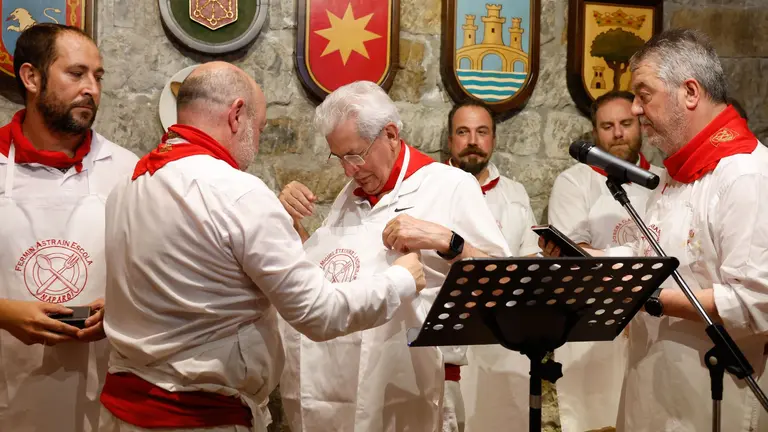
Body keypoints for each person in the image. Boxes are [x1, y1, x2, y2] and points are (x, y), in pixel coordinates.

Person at [98, 63, 427, 432]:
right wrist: (399, 280)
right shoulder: (239, 193)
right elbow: (318, 313)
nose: (258, 137)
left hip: (121, 413)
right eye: (261, 126)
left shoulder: (127, 184)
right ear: (237, 114)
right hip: (197, 418)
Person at [542, 28, 768, 432]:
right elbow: (652, 256)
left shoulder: (745, 174)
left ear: (691, 92)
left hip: (714, 394)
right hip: (654, 388)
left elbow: (755, 300)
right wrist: (586, 260)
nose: (635, 108)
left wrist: (648, 297)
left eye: (643, 94)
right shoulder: (673, 176)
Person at [277, 81, 510, 432]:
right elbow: (338, 277)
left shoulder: (451, 185)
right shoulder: (350, 195)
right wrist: (291, 225)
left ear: (390, 134)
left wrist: (447, 240)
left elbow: (503, 285)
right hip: (340, 388)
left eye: (354, 154)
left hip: (415, 387)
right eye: (338, 157)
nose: (348, 170)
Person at [0, 24, 138, 432]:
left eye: (98, 76)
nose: (91, 88)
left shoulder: (127, 170)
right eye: (76, 74)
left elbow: (154, 270)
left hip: (99, 387)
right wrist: (4, 312)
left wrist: (123, 308)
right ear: (31, 77)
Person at [546, 91, 664, 432]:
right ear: (595, 132)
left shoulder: (662, 180)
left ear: (640, 126)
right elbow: (572, 254)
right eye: (607, 126)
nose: (617, 134)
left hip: (652, 317)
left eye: (625, 124)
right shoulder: (575, 182)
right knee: (592, 421)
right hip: (593, 320)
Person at [443, 101, 540, 432]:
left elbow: (530, 261)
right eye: (463, 132)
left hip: (503, 341)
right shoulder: (432, 188)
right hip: (448, 337)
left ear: (494, 139)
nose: (473, 140)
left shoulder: (515, 194)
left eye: (482, 132)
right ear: (449, 139)